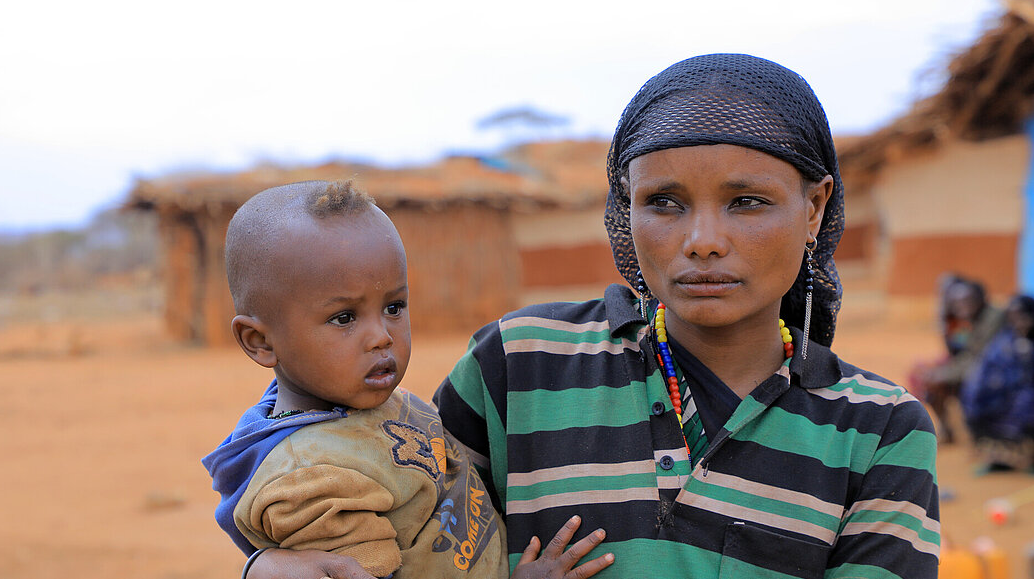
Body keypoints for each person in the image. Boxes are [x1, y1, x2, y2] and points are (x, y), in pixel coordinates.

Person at [243, 54, 941, 579]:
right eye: (663, 201)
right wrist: (263, 563)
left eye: (746, 201)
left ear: (814, 209)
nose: (701, 238)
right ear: (624, 209)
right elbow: (371, 498)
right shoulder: (518, 366)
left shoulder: (879, 431)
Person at [202, 180, 614, 579]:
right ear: (259, 342)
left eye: (394, 306)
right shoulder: (310, 481)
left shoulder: (368, 399)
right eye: (344, 318)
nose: (382, 335)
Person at [908, 275, 1003, 443]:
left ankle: (981, 437)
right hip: (967, 366)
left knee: (939, 379)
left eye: (967, 302)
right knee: (926, 379)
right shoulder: (962, 320)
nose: (962, 307)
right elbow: (955, 351)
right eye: (956, 303)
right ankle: (947, 429)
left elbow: (978, 359)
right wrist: (945, 319)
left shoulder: (993, 319)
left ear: (981, 299)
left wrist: (943, 374)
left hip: (991, 372)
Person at [960, 294, 1034, 472]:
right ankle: (1001, 459)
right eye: (1013, 316)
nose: (1018, 321)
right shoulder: (1004, 341)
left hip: (1025, 401)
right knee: (974, 399)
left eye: (1022, 315)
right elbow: (988, 370)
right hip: (1002, 398)